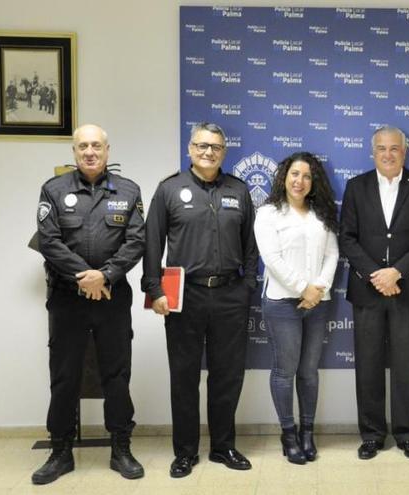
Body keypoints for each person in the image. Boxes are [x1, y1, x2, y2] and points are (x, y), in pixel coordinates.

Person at [142, 122, 258, 477]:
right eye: (202, 146)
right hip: (185, 296)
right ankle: (185, 452)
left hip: (229, 295)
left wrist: (248, 285)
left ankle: (223, 447)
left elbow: (251, 246)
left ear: (224, 152)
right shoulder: (169, 190)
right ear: (190, 149)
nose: (209, 152)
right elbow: (152, 243)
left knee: (227, 376)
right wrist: (154, 290)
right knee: (184, 377)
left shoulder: (238, 191)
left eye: (216, 147)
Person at [33, 124, 145, 484]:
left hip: (112, 298)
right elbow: (49, 242)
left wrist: (105, 276)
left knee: (117, 373)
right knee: (65, 374)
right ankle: (60, 450)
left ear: (108, 150)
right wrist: (86, 277)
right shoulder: (53, 190)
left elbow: (136, 241)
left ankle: (121, 448)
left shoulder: (129, 191)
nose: (90, 152)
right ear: (74, 152)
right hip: (68, 298)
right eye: (83, 146)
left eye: (96, 145)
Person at [339, 126, 409, 460]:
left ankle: (406, 434)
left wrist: (397, 272)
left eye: (394, 148)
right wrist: (375, 275)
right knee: (367, 365)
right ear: (373, 152)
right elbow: (347, 238)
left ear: (404, 152)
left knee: (404, 365)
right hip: (367, 292)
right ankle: (371, 434)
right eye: (381, 148)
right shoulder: (356, 187)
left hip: (406, 289)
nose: (388, 154)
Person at [254, 152, 339, 464]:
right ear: (283, 177)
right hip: (281, 303)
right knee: (284, 371)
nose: (299, 181)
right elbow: (271, 259)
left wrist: (317, 290)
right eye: (294, 174)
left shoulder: (322, 214)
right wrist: (303, 289)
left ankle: (307, 432)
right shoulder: (268, 213)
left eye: (306, 176)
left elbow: (332, 254)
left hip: (318, 303)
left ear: (313, 181)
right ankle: (288, 434)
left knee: (309, 373)